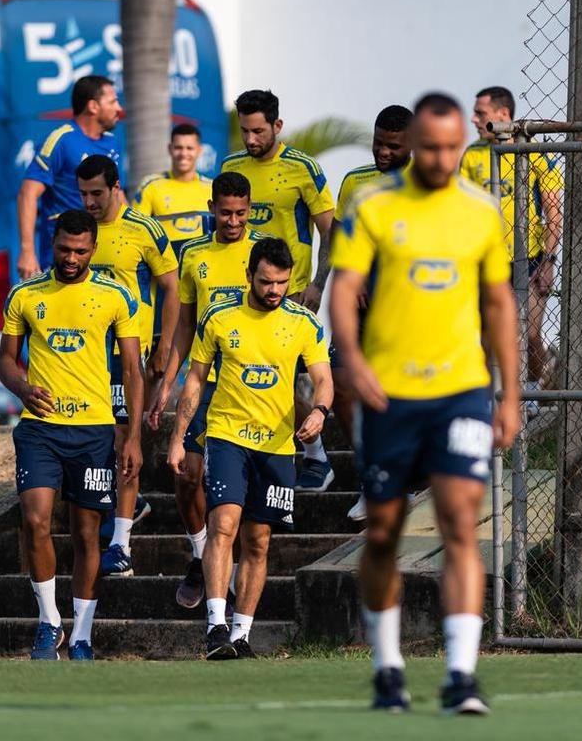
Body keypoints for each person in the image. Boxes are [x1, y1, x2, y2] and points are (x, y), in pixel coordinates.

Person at [330, 93, 521, 714]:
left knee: (460, 524)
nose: (441, 158)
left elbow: (498, 304)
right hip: (390, 392)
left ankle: (461, 675)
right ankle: (388, 667)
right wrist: (351, 360)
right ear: (412, 144)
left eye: (450, 146)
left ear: (462, 141)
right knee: (382, 534)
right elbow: (345, 287)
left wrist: (509, 392)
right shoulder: (374, 206)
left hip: (461, 391)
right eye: (430, 147)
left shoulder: (481, 211)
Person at [167, 238, 333, 660]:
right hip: (226, 436)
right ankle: (216, 627)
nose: (274, 290)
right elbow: (195, 381)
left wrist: (319, 411)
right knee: (224, 524)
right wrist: (178, 437)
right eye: (265, 282)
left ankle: (241, 635)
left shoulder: (303, 323)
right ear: (249, 277)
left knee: (258, 541)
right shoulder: (219, 317)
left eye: (280, 282)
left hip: (277, 445)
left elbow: (323, 377)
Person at [0, 209, 143, 661]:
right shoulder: (24, 294)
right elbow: (5, 361)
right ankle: (48, 622)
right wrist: (23, 387)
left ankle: (82, 634)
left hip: (95, 433)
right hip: (40, 430)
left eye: (81, 251)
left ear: (93, 249)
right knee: (36, 521)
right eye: (64, 249)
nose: (72, 258)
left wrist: (133, 435)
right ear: (52, 243)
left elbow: (134, 370)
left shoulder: (116, 297)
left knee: (86, 534)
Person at [148, 171, 263, 608]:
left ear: (249, 209)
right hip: (203, 381)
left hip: (250, 388)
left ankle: (231, 568)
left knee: (241, 489)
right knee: (187, 475)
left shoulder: (263, 251)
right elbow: (183, 327)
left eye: (241, 212)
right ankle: (200, 555)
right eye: (225, 212)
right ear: (211, 207)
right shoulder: (193, 253)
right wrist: (167, 383)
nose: (233, 221)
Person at [221, 89, 336, 491]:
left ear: (277, 126)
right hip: (242, 296)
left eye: (257, 131)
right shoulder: (231, 166)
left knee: (279, 380)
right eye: (244, 131)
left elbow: (330, 231)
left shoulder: (303, 168)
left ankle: (316, 457)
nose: (250, 140)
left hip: (290, 295)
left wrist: (318, 284)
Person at [76, 155, 179, 576]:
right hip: (85, 356)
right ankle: (130, 504)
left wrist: (163, 346)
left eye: (96, 193)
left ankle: (121, 544)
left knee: (124, 437)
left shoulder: (143, 228)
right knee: (95, 439)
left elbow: (172, 288)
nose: (89, 202)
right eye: (82, 194)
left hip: (128, 355)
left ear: (116, 187)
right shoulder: (78, 230)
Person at [329, 104, 413, 523]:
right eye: (378, 142)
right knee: (341, 384)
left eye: (392, 146)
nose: (382, 152)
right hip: (358, 305)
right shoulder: (356, 182)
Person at [459, 86, 562, 392]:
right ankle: (489, 402)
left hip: (529, 258)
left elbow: (553, 211)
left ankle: (536, 389)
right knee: (485, 337)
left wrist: (548, 261)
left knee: (529, 334)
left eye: (481, 113)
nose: (474, 119)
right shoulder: (472, 155)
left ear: (503, 115)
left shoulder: (532, 150)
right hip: (487, 260)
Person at [17, 75, 123, 280]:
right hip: (65, 257)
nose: (118, 108)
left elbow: (118, 197)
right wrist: (27, 251)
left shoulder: (113, 144)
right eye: (112, 101)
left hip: (103, 253)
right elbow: (27, 193)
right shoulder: (61, 140)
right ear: (93, 106)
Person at [134, 123, 215, 256]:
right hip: (164, 270)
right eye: (178, 148)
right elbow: (136, 230)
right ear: (170, 149)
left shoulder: (212, 187)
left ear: (200, 150)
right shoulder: (151, 185)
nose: (184, 153)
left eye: (190, 148)